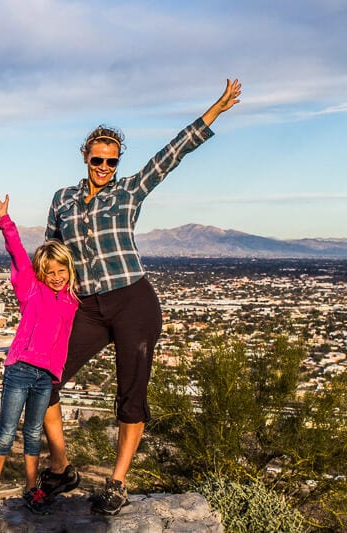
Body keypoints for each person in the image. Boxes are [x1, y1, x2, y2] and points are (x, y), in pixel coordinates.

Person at [38, 79, 243, 515]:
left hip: (133, 299)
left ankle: (117, 482)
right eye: (98, 159)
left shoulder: (129, 190)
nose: (104, 167)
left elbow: (172, 154)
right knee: (42, 382)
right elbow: (51, 256)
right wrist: (43, 299)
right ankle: (61, 468)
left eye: (111, 161)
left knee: (131, 395)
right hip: (87, 306)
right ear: (85, 157)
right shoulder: (63, 199)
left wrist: (216, 110)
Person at [0, 191, 80, 531]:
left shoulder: (72, 301)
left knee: (34, 434)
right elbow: (18, 253)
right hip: (20, 370)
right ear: (40, 271)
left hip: (45, 377)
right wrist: (5, 219)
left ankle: (31, 490)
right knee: (6, 434)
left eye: (61, 269)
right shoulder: (31, 288)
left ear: (69, 269)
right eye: (49, 270)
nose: (56, 276)